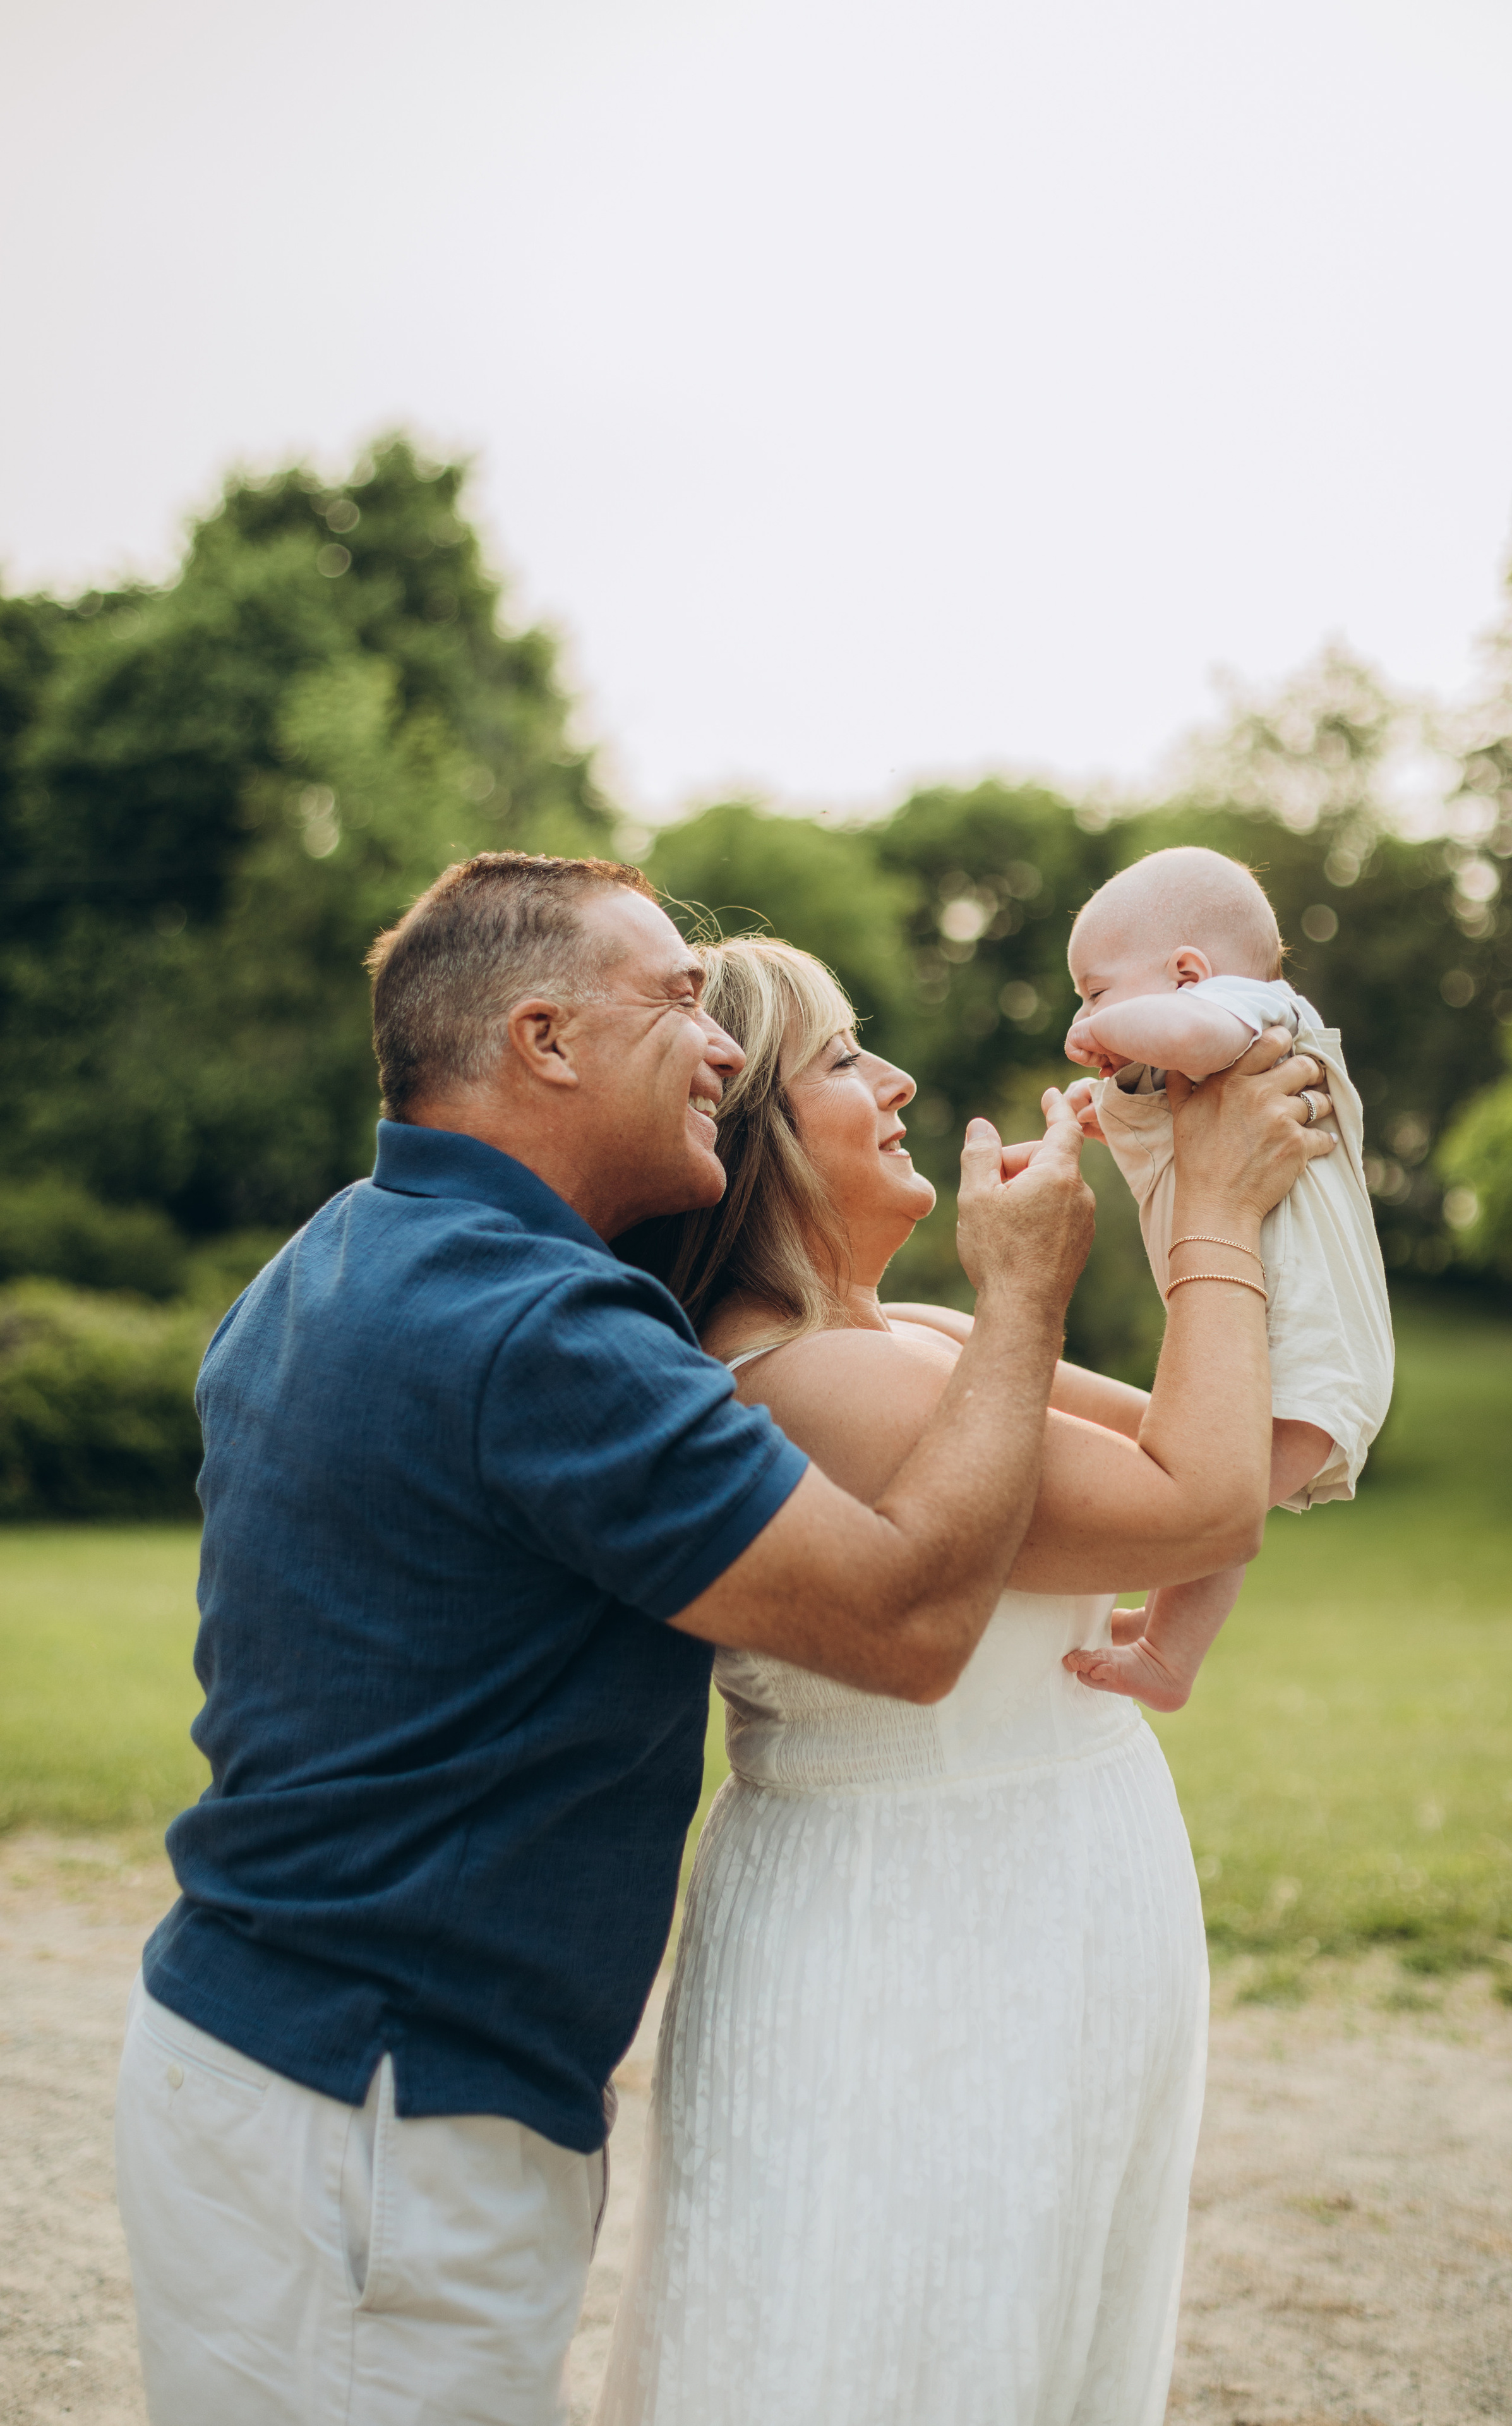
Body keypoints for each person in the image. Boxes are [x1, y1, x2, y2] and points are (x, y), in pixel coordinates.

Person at [113, 851, 1100, 2426]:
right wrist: (1023, 1293)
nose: (724, 1050)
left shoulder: (337, 1254)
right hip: (384, 2122)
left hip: (271, 2064)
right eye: (678, 1005)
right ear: (545, 1042)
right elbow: (908, 1622)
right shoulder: (542, 1333)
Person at [594, 934, 1335, 2426]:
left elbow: (1263, 1450)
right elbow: (1205, 1507)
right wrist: (1212, 1221)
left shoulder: (917, 1334)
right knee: (904, 2347)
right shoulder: (799, 1379)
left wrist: (1176, 1165)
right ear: (756, 1136)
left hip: (1035, 1913)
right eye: (843, 1057)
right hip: (920, 1948)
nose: (896, 1078)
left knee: (1030, 2333)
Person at [1059, 846, 1393, 1711]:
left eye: (1095, 991)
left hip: (1308, 1352)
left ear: (1187, 973)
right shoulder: (1214, 1045)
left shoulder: (1248, 1008)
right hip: (1310, 1356)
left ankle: (1170, 1653)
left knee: (1208, 1506)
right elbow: (1164, 1091)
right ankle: (1167, 1639)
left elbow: (1192, 1037)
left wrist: (1106, 1033)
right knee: (1219, 1502)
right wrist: (1095, 1114)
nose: (1085, 1015)